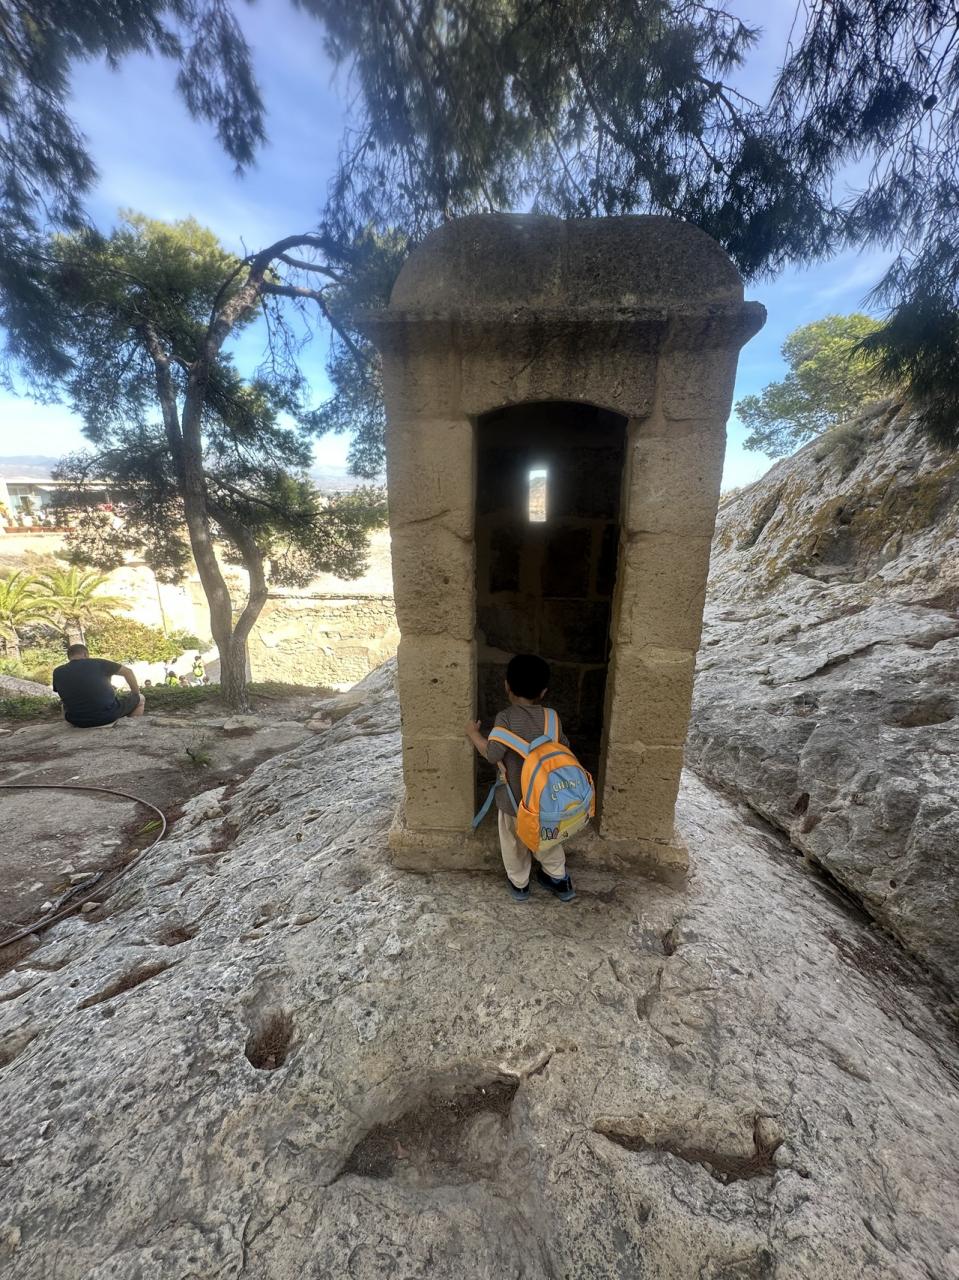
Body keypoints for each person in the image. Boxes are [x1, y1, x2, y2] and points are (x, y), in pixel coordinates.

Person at [465, 652, 576, 903]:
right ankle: (559, 879)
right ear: (543, 692)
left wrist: (473, 734)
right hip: (547, 800)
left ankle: (520, 884)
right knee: (548, 840)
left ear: (507, 686)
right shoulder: (552, 717)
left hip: (513, 801)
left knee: (513, 842)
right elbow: (564, 748)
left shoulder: (505, 718)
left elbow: (492, 754)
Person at [52, 643, 145, 728]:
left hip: (76, 721)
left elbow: (61, 694)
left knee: (63, 706)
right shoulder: (98, 663)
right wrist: (135, 693)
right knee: (140, 698)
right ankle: (132, 728)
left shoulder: (57, 671)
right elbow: (128, 672)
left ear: (69, 657)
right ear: (85, 654)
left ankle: (73, 728)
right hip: (106, 717)